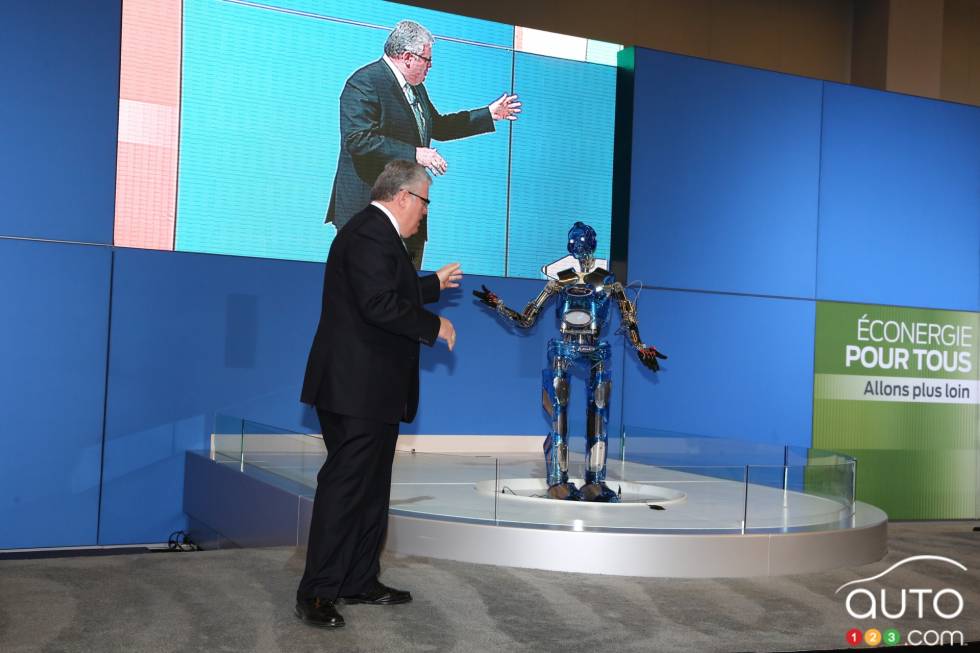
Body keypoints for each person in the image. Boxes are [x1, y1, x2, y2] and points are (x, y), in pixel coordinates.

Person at [296, 160, 462, 628]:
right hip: (356, 389)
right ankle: (317, 592)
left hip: (371, 389)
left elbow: (391, 286)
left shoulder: (376, 234)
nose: (425, 213)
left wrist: (432, 285)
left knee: (370, 490)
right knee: (347, 490)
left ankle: (358, 579)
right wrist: (435, 323)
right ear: (404, 196)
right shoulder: (370, 232)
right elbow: (378, 303)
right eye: (426, 201)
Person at [325, 19, 521, 269]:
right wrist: (415, 154)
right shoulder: (365, 83)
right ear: (407, 56)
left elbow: (438, 126)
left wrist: (488, 114)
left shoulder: (416, 89)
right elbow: (358, 140)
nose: (430, 66)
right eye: (427, 60)